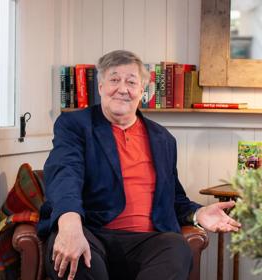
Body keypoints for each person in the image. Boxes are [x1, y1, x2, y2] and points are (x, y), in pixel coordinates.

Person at [37, 50, 241, 280]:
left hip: (146, 242)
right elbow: (65, 173)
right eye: (114, 80)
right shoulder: (75, 125)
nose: (123, 89)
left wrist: (198, 213)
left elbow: (174, 199)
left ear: (142, 91)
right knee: (74, 257)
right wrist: (69, 223)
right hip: (91, 231)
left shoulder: (163, 139)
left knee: (176, 248)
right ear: (101, 87)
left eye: (131, 82)